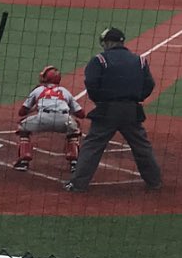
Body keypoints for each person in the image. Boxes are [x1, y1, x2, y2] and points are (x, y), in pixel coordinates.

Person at [64, 27, 161, 193]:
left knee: (93, 146)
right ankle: (154, 181)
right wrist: (135, 97)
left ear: (108, 42)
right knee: (141, 146)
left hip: (107, 110)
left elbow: (92, 84)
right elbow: (149, 85)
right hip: (132, 110)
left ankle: (78, 184)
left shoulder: (100, 60)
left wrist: (101, 100)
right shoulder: (140, 60)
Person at [13, 66, 85, 173]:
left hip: (43, 119)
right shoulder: (65, 91)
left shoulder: (38, 90)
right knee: (75, 128)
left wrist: (35, 107)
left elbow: (21, 112)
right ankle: (74, 163)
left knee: (22, 126)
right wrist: (66, 109)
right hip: (64, 120)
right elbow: (81, 114)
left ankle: (24, 161)